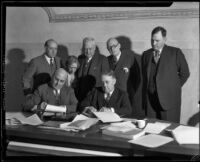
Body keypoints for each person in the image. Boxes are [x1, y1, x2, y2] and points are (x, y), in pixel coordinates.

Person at [142, 26, 190, 123]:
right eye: (152, 40)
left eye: (157, 40)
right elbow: (144, 77)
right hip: (150, 102)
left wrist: (172, 88)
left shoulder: (175, 53)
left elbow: (185, 73)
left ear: (164, 39)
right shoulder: (146, 54)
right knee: (152, 130)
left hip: (169, 101)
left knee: (168, 130)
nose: (154, 43)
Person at [76, 37, 110, 102]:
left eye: (90, 49)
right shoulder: (80, 58)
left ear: (94, 48)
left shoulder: (102, 59)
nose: (88, 51)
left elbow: (106, 80)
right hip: (81, 96)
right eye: (86, 49)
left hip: (96, 97)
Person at [106, 37, 136, 111]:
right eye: (109, 47)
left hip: (126, 96)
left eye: (114, 46)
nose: (112, 49)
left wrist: (131, 92)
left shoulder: (130, 58)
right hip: (112, 97)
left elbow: (137, 78)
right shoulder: (106, 60)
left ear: (119, 46)